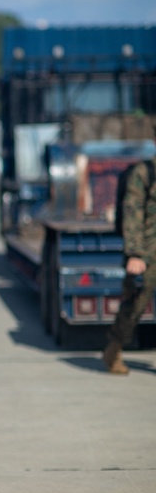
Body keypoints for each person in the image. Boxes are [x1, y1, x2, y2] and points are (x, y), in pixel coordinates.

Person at [104, 149, 156, 374]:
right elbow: (132, 212)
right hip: (147, 251)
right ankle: (114, 349)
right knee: (135, 304)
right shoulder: (144, 172)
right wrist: (135, 253)